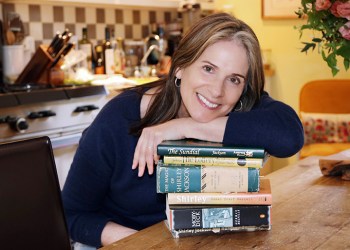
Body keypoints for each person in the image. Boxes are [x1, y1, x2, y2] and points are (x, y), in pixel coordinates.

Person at [62, 12, 304, 249]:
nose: (217, 91)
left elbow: (290, 137)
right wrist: (142, 243)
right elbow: (71, 214)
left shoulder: (239, 105)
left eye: (234, 79)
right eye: (208, 69)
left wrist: (184, 126)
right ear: (179, 67)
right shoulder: (118, 118)